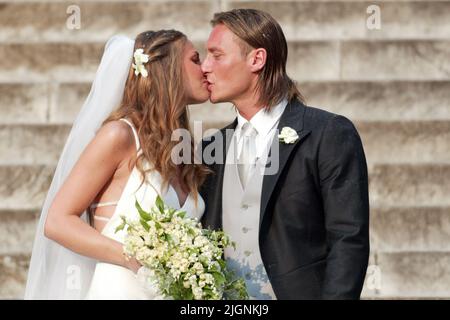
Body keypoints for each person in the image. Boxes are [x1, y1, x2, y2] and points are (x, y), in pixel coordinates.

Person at [25, 30, 211, 299]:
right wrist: (133, 259)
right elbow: (57, 221)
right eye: (195, 59)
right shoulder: (120, 135)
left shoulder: (181, 149)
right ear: (167, 69)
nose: (205, 67)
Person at [200, 9, 370, 299]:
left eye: (217, 55)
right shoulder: (210, 148)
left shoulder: (328, 133)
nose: (205, 66)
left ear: (257, 59)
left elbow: (348, 238)